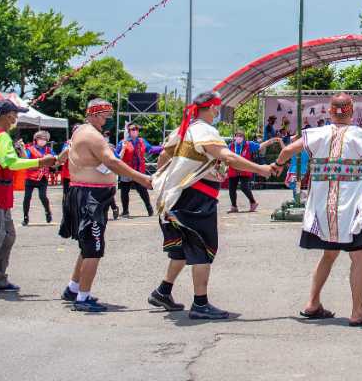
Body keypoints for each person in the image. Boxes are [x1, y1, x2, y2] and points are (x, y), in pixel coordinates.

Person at [271, 92, 362, 326]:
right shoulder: (360, 135)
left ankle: (312, 303)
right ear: (352, 111)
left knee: (329, 255)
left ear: (330, 112)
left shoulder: (315, 134)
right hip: (351, 209)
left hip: (322, 209)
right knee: (359, 257)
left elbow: (287, 151)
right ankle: (358, 312)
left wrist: (277, 166)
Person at [147, 91, 274, 319]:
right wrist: (262, 169)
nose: (217, 111)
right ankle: (200, 304)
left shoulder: (182, 129)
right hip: (196, 198)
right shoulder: (204, 130)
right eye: (216, 107)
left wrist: (168, 180)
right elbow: (229, 157)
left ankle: (163, 291)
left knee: (182, 250)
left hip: (176, 197)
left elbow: (163, 159)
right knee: (202, 249)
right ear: (210, 107)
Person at [56, 100, 153, 312]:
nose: (106, 121)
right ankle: (83, 298)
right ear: (92, 114)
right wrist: (142, 178)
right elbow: (112, 162)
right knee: (93, 248)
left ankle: (73, 288)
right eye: (103, 116)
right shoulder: (91, 134)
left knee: (87, 246)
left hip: (89, 195)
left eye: (108, 117)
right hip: (89, 197)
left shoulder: (82, 131)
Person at [0, 99, 56, 300]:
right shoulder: (1, 137)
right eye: (15, 114)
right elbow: (9, 162)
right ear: (8, 115)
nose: (16, 118)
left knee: (7, 236)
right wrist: (40, 161)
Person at [226, 131, 280, 213]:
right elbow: (227, 156)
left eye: (241, 136)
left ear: (244, 137)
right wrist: (226, 167)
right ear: (234, 137)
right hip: (233, 169)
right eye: (237, 136)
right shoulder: (231, 146)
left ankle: (253, 202)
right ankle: (234, 206)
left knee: (244, 187)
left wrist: (270, 141)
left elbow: (260, 146)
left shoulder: (249, 144)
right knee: (231, 188)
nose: (239, 137)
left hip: (245, 169)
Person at [116, 124, 159, 218]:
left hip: (138, 171)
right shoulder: (123, 142)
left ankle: (150, 210)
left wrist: (163, 148)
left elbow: (151, 149)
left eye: (137, 129)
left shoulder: (142, 141)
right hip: (126, 170)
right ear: (128, 131)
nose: (135, 130)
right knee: (124, 191)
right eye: (133, 129)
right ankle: (125, 211)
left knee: (143, 191)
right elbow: (117, 155)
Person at [22, 130, 54, 226]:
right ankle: (25, 217)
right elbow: (25, 160)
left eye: (44, 139)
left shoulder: (49, 150)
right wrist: (22, 149)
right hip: (30, 177)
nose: (42, 140)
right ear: (36, 139)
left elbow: (53, 160)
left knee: (42, 196)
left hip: (42, 177)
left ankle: (48, 211)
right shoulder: (30, 149)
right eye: (40, 138)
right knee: (27, 197)